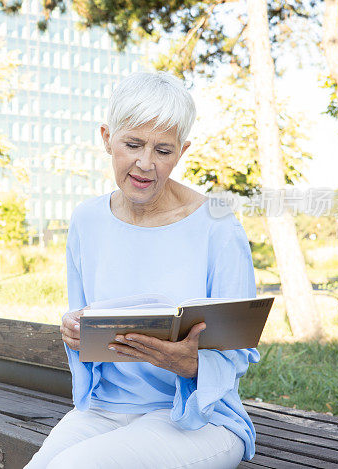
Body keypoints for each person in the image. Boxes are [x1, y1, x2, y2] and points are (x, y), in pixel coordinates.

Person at [24, 72, 260, 469]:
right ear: (106, 138)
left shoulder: (218, 225)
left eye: (163, 150)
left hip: (200, 419)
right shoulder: (86, 220)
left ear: (182, 151)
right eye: (132, 144)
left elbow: (235, 350)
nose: (145, 164)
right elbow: (86, 324)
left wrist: (189, 363)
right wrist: (74, 331)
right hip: (105, 410)